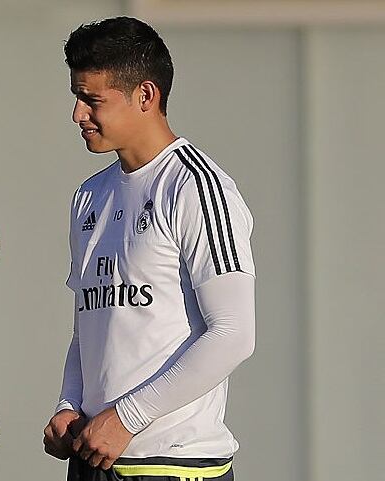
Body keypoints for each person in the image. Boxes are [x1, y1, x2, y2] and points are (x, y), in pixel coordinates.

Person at [43, 17, 256, 481]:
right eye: (77, 97)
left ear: (145, 95)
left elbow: (234, 334)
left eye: (92, 100)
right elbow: (90, 325)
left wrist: (127, 418)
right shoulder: (89, 196)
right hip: (93, 460)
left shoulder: (196, 187)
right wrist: (69, 404)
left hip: (176, 464)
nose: (78, 114)